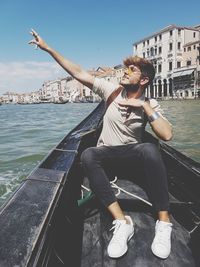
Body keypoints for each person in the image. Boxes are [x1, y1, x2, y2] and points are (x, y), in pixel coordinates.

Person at [29, 29, 173, 259]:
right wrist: (48, 49)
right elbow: (77, 72)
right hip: (106, 157)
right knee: (88, 154)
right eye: (125, 68)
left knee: (149, 147)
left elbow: (166, 135)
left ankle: (164, 223)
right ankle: (121, 221)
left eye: (132, 70)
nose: (125, 72)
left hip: (132, 157)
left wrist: (144, 108)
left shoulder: (150, 103)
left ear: (144, 80)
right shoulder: (111, 91)